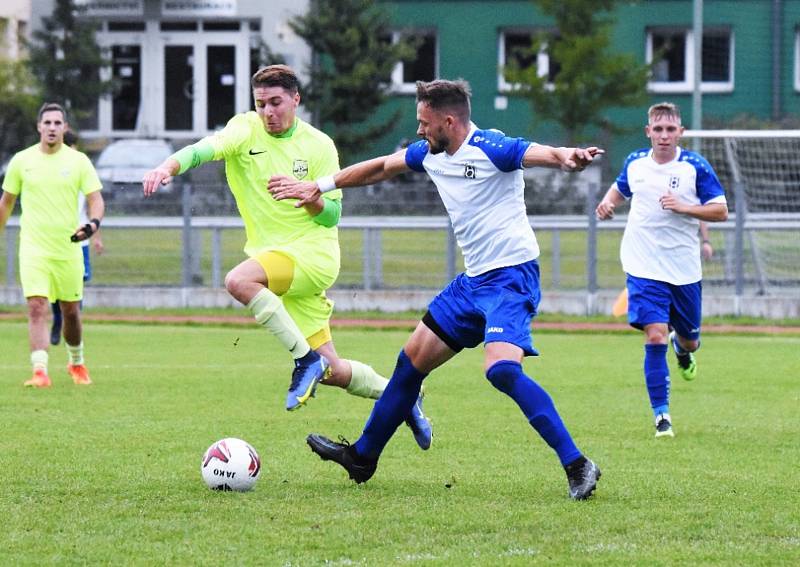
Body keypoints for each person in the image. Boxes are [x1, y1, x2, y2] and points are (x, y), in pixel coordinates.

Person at [269, 79, 603, 500]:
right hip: (472, 283)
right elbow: (380, 167)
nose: (419, 131)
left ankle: (578, 464)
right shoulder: (430, 153)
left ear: (449, 120)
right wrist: (321, 185)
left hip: (511, 279)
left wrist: (568, 157)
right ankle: (362, 457)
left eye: (424, 123)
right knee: (409, 364)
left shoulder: (491, 148)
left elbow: (544, 153)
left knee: (501, 370)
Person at [141, 65, 431, 449]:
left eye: (276, 102)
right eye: (261, 103)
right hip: (276, 261)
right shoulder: (244, 129)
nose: (268, 112)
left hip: (313, 255)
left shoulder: (319, 145)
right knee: (334, 370)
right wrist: (167, 166)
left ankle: (304, 360)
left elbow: (334, 214)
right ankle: (404, 398)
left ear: (296, 99)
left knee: (238, 281)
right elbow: (202, 150)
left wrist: (311, 199)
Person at [595, 102, 728, 438]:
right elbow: (620, 188)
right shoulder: (636, 163)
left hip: (683, 270)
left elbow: (721, 211)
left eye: (671, 130)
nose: (664, 136)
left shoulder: (694, 167)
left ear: (680, 132)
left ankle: (682, 349)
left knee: (691, 341)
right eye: (658, 129)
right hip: (642, 265)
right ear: (648, 132)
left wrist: (684, 207)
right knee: (654, 333)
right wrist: (608, 203)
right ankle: (662, 416)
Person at [0, 102, 104, 387]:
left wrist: (93, 225)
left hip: (68, 248)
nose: (52, 128)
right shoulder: (21, 161)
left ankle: (77, 362)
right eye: (47, 123)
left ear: (65, 128)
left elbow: (95, 199)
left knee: (71, 311)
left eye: (58, 123)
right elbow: (6, 203)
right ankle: (39, 371)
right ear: (39, 127)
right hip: (33, 248)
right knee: (36, 306)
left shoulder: (78, 162)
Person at [50, 131, 105, 346]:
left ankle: (72, 322)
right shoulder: (52, 171)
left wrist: (96, 237)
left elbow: (93, 206)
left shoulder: (82, 170)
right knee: (55, 289)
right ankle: (57, 321)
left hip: (80, 241)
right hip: (55, 240)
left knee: (76, 287)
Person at [611, 221, 714, 317]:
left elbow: (702, 211)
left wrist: (706, 241)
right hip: (654, 261)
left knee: (682, 318)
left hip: (679, 262)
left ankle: (674, 330)